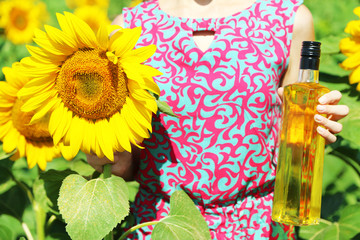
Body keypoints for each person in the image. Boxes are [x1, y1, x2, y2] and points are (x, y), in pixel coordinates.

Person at [87, 0, 350, 239]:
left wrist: (312, 133)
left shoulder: (288, 20)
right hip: (162, 226)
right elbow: (127, 167)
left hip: (259, 225)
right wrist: (105, 155)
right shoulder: (128, 29)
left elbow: (293, 144)